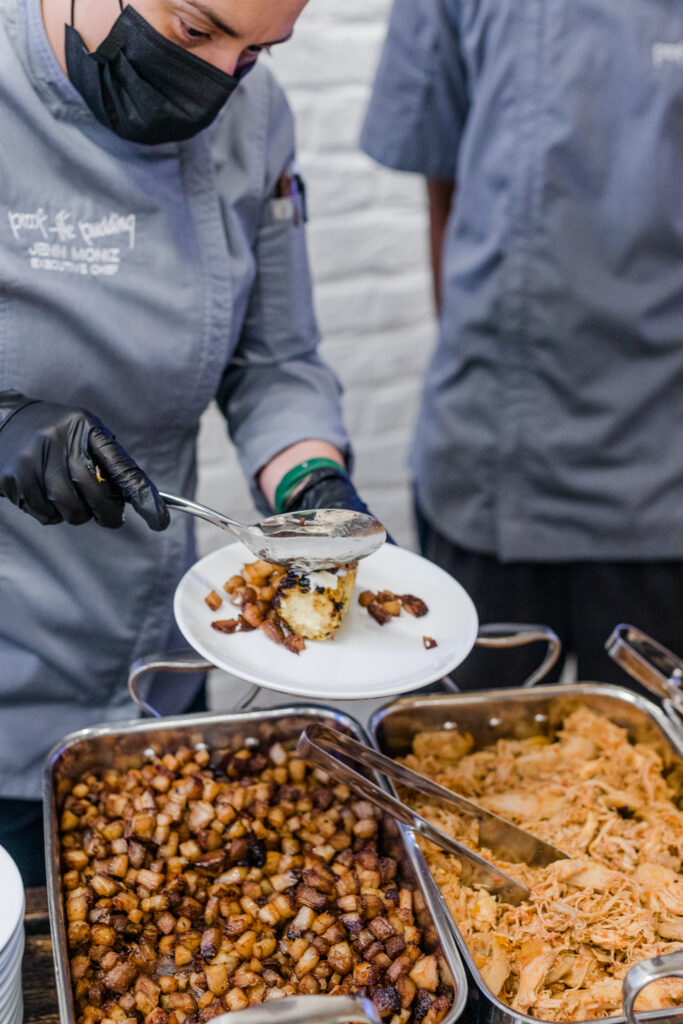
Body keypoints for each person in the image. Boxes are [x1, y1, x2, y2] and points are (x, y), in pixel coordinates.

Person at [0, 0, 373, 884]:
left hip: (153, 663)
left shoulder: (256, 113)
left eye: (258, 50)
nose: (220, 78)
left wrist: (312, 480)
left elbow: (276, 360)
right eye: (196, 32)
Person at [361, 0, 683, 691]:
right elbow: (443, 186)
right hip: (489, 468)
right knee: (463, 768)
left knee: (652, 782)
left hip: (664, 477)